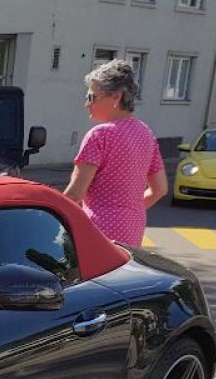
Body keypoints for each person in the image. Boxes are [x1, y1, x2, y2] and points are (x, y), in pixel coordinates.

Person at [62, 60, 166, 247]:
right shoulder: (145, 133)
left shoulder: (100, 135)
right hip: (133, 229)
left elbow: (74, 195)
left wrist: (47, 216)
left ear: (116, 97)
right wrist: (127, 211)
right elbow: (160, 189)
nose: (87, 104)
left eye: (92, 97)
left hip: (98, 231)